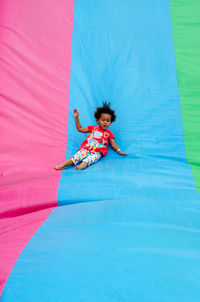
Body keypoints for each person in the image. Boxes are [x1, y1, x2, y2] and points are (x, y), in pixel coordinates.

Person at [54, 102, 128, 171]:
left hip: (97, 153)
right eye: (103, 120)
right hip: (86, 149)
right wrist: (76, 118)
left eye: (108, 121)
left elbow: (113, 144)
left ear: (110, 123)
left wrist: (119, 151)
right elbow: (80, 129)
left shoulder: (109, 133)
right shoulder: (93, 128)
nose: (105, 122)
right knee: (75, 157)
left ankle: (79, 167)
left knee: (87, 161)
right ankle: (62, 165)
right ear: (98, 121)